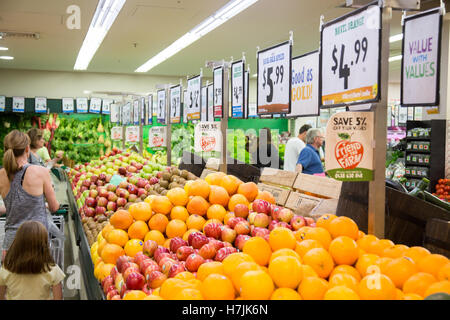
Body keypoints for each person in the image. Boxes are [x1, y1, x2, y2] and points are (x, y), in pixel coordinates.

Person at [0, 130, 60, 260]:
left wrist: (13, 206)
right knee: (48, 279)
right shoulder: (41, 172)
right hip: (37, 243)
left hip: (10, 246)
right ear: (27, 149)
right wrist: (42, 203)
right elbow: (54, 207)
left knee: (11, 280)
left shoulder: (1, 175)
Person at [0, 221, 65, 300]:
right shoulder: (52, 269)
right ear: (44, 244)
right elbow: (58, 298)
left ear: (17, 243)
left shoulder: (6, 269)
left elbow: (1, 296)